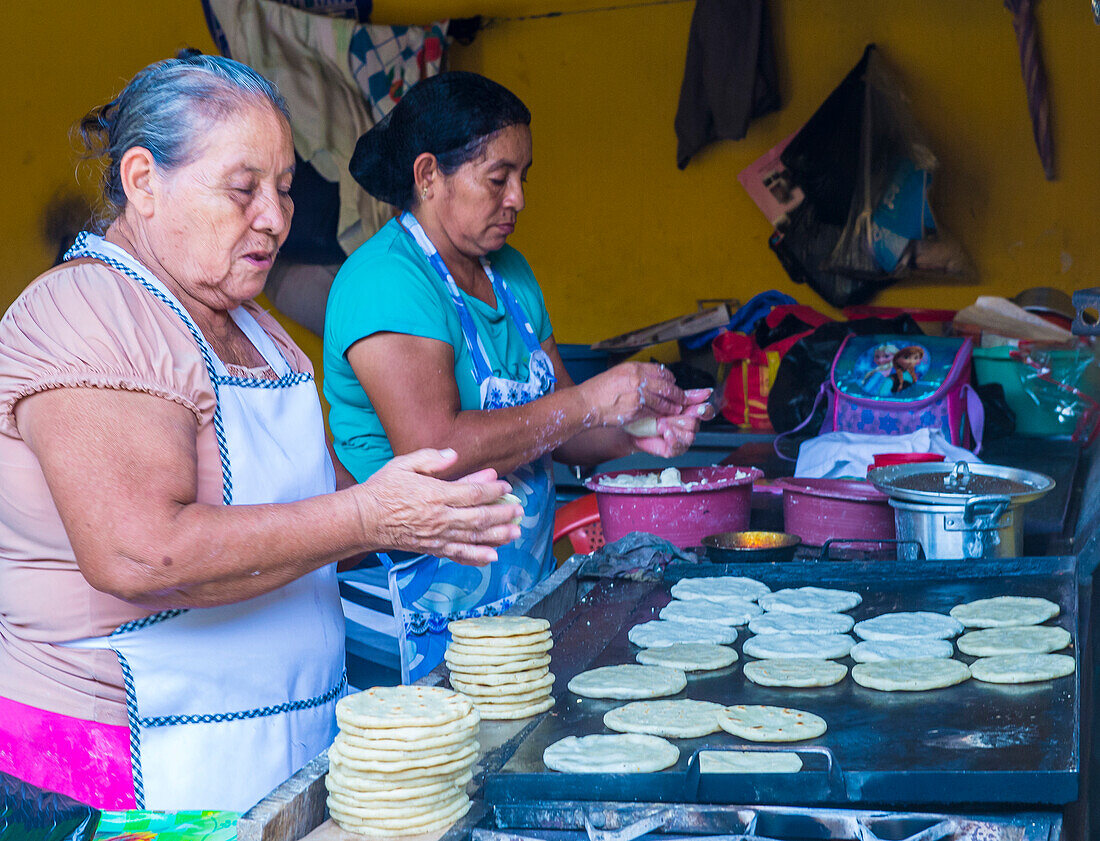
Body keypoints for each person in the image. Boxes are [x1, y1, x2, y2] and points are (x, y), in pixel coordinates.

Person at [0, 53, 522, 813]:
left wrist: (418, 511)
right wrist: (368, 516)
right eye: (243, 189)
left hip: (275, 744)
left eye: (282, 190)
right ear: (143, 180)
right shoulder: (88, 311)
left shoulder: (250, 323)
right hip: (125, 768)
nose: (275, 219)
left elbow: (304, 493)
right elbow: (140, 550)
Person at [324, 72, 713, 683]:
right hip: (412, 610)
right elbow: (437, 453)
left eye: (522, 178)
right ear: (429, 176)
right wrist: (590, 402)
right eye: (497, 178)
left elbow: (556, 425)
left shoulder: (510, 273)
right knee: (421, 767)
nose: (518, 199)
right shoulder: (387, 281)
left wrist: (634, 430)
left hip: (516, 607)